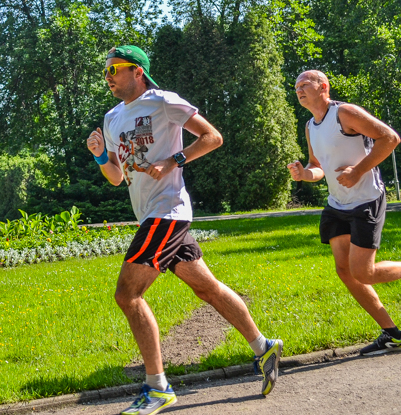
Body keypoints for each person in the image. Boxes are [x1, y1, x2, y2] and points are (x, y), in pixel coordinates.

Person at [87, 45, 283, 414]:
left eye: (115, 70)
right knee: (207, 288)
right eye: (106, 72)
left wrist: (173, 160)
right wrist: (100, 155)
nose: (109, 78)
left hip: (168, 212)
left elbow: (212, 137)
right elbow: (115, 177)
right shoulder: (112, 118)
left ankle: (157, 387)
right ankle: (264, 346)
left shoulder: (163, 102)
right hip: (150, 216)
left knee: (127, 296)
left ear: (137, 71)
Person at [287, 70, 401, 356]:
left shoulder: (345, 113)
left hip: (365, 200)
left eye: (304, 85)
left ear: (323, 86)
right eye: (296, 87)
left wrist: (358, 170)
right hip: (337, 205)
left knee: (364, 272)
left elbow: (390, 138)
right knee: (345, 271)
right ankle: (393, 334)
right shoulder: (310, 126)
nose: (298, 90)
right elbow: (318, 166)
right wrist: (304, 174)